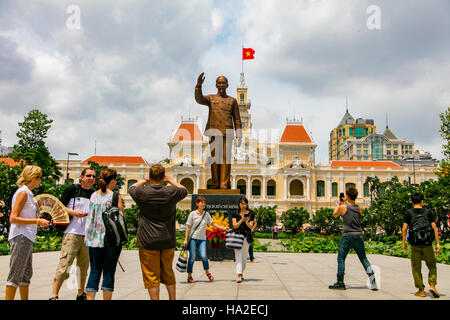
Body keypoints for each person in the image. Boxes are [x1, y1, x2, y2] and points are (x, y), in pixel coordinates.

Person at [128, 164, 187, 300]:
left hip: (147, 240)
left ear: (150, 176)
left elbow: (132, 187)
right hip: (167, 239)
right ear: (163, 176)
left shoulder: (142, 192)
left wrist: (145, 180)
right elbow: (184, 190)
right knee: (168, 272)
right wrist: (171, 180)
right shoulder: (171, 192)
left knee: (151, 275)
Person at [49, 168, 95, 301]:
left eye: (93, 176)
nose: (91, 178)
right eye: (88, 175)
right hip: (72, 233)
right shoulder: (72, 189)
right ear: (82, 177)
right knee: (65, 264)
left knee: (84, 266)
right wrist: (73, 212)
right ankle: (54, 295)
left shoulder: (93, 194)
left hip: (86, 235)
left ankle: (81, 294)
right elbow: (59, 207)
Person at [5, 165, 51, 300]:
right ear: (34, 178)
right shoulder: (23, 193)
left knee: (25, 274)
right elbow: (13, 218)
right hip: (21, 236)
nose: (41, 181)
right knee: (15, 273)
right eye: (40, 178)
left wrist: (39, 219)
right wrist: (37, 221)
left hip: (27, 237)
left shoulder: (29, 194)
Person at [195, 72, 242, 189]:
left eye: (223, 83)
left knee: (226, 159)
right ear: (216, 85)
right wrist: (198, 86)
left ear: (227, 85)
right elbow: (199, 99)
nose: (221, 85)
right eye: (219, 83)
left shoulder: (232, 101)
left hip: (228, 132)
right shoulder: (211, 98)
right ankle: (215, 183)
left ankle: (224, 184)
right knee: (215, 159)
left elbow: (237, 119)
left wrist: (239, 134)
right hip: (214, 131)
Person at [84, 168, 125, 300]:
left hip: (94, 239)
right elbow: (121, 217)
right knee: (108, 272)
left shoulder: (93, 195)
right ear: (112, 180)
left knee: (94, 271)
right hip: (110, 240)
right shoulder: (114, 196)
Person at [329, 186, 377, 290]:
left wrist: (340, 203)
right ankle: (373, 281)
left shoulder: (343, 207)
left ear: (347, 196)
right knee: (364, 259)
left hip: (347, 236)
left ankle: (340, 282)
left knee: (341, 258)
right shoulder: (360, 208)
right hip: (358, 236)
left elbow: (334, 215)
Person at [182, 196, 231, 283]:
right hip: (193, 239)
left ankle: (208, 273)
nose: (203, 204)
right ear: (197, 204)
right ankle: (189, 276)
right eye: (201, 202)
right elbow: (188, 227)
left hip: (202, 239)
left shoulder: (206, 214)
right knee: (192, 258)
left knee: (204, 256)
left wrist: (223, 228)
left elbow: (213, 224)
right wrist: (186, 239)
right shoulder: (192, 214)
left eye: (204, 202)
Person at [402, 192, 440, 298]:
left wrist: (404, 242)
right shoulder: (428, 212)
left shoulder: (408, 213)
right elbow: (435, 228)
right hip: (427, 243)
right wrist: (437, 243)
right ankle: (432, 285)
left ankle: (421, 290)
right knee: (432, 265)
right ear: (422, 201)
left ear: (412, 202)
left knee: (416, 267)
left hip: (415, 244)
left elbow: (404, 228)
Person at [231, 197, 256, 283]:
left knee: (244, 257)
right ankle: (239, 275)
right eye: (242, 204)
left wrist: (246, 221)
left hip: (246, 237)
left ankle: (241, 273)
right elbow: (235, 226)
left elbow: (250, 226)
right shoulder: (235, 213)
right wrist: (242, 219)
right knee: (238, 256)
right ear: (239, 204)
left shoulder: (251, 213)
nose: (243, 205)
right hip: (237, 236)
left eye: (245, 204)